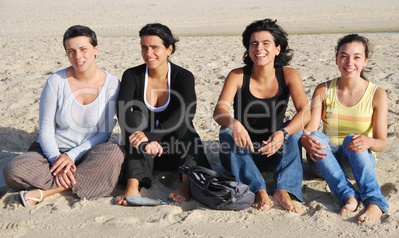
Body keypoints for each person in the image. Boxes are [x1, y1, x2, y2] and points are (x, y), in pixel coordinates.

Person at [3, 25, 124, 206]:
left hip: (89, 153)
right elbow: (45, 130)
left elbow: (104, 134)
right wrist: (57, 161)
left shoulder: (113, 84)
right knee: (13, 170)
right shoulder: (56, 82)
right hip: (51, 154)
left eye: (83, 49)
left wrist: (72, 156)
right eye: (71, 51)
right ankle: (79, 182)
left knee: (115, 153)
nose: (78, 57)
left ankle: (48, 191)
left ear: (95, 49)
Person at [213, 19, 310, 212]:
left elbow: (305, 112)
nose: (259, 49)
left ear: (277, 49)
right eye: (254, 44)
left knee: (295, 132)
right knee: (226, 131)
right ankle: (258, 189)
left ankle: (283, 189)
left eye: (266, 43)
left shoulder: (289, 75)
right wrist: (234, 123)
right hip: (241, 155)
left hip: (275, 152)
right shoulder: (238, 75)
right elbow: (219, 112)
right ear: (248, 49)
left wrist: (283, 132)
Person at [115, 23, 210, 206]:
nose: (148, 53)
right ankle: (133, 184)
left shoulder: (183, 76)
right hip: (142, 152)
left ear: (169, 49)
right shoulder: (132, 75)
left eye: (155, 47)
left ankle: (186, 183)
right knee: (133, 118)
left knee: (185, 125)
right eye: (144, 47)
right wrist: (145, 142)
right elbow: (123, 111)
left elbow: (188, 110)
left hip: (175, 151)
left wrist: (153, 136)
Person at [301, 34, 389, 223]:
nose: (350, 62)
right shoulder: (323, 90)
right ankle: (348, 195)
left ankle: (375, 202)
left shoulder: (377, 94)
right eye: (344, 56)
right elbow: (310, 129)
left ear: (365, 61)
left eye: (357, 57)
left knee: (352, 138)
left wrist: (369, 141)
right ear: (336, 59)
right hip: (324, 159)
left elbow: (381, 143)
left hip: (357, 161)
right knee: (316, 136)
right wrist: (305, 139)